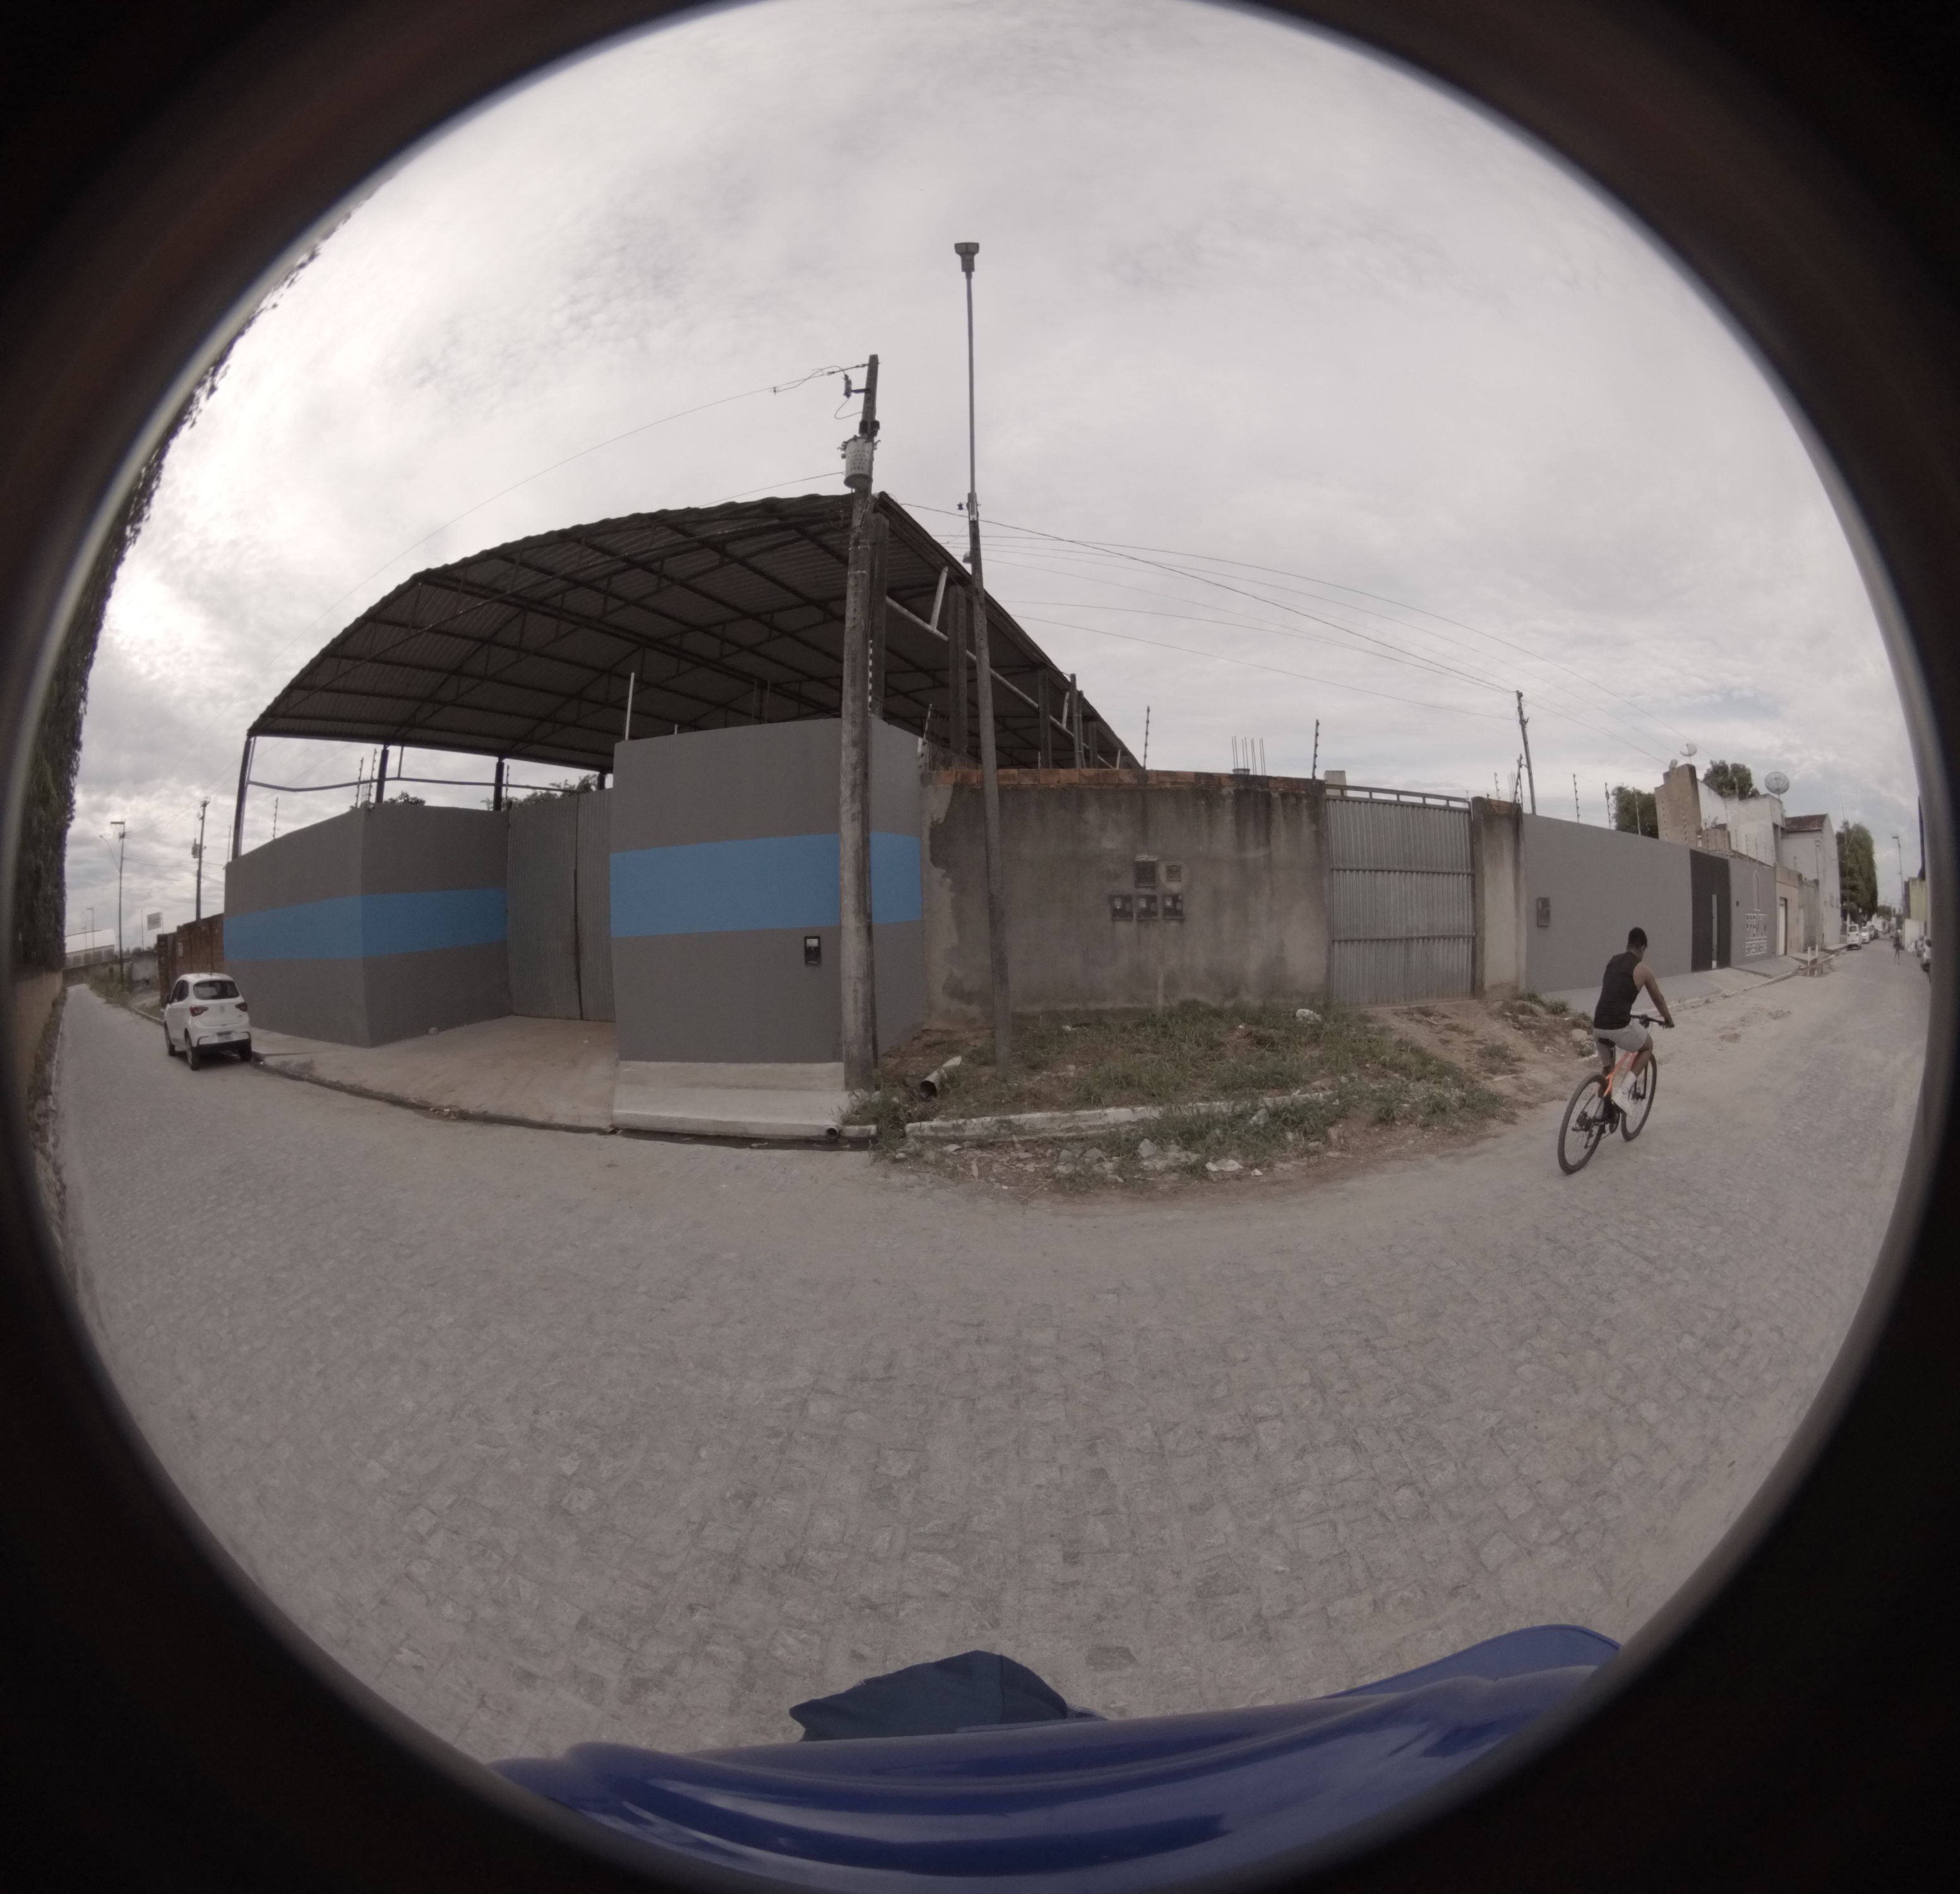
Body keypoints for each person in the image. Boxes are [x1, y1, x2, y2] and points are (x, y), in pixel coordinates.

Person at [1593, 926, 1673, 1114]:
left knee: (1608, 1070)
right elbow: (1659, 999)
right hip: (1619, 1026)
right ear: (1642, 948)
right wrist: (1668, 1020)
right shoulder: (1643, 970)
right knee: (1647, 1046)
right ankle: (1623, 1093)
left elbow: (1614, 992)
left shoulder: (1612, 962)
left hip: (1598, 1025)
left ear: (1628, 944)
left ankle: (1599, 1112)